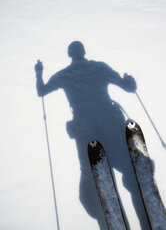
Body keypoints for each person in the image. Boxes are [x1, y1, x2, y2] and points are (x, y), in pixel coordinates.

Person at [35, 41, 144, 229]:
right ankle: (147, 215)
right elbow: (127, 86)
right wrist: (130, 81)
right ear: (83, 52)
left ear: (70, 54)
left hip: (86, 128)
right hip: (109, 122)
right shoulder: (99, 67)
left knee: (98, 182)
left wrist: (38, 73)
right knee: (129, 172)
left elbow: (41, 91)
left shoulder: (64, 74)